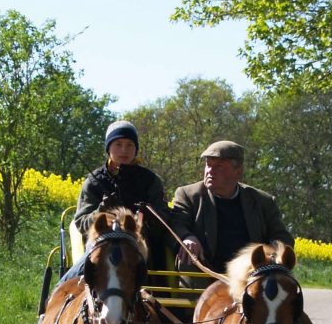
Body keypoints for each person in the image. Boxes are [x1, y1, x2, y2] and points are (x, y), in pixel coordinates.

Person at [62, 120, 170, 280]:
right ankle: (56, 295)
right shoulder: (93, 182)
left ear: (136, 149)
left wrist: (150, 216)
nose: (124, 150)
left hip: (144, 249)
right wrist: (101, 211)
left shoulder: (151, 180)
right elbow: (81, 222)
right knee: (69, 279)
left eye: (129, 145)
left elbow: (165, 218)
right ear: (108, 148)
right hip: (101, 247)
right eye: (118, 144)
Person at [170, 140, 293, 275]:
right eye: (208, 165)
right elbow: (176, 224)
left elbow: (282, 237)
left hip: (251, 274)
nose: (210, 171)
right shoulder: (188, 195)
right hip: (204, 269)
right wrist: (187, 237)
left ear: (238, 172)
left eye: (219, 166)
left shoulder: (262, 201)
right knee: (187, 257)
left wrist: (275, 251)